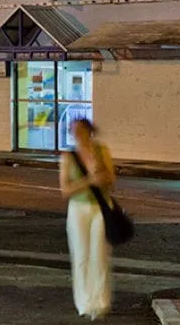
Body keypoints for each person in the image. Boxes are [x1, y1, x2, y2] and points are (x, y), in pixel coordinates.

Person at [60, 117, 115, 319]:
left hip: (101, 207)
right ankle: (84, 302)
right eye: (74, 131)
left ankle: (100, 302)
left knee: (99, 254)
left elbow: (112, 179)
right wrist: (88, 180)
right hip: (78, 209)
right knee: (81, 255)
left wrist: (102, 177)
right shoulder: (69, 157)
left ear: (89, 131)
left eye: (81, 130)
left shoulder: (102, 151)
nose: (77, 134)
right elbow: (65, 190)